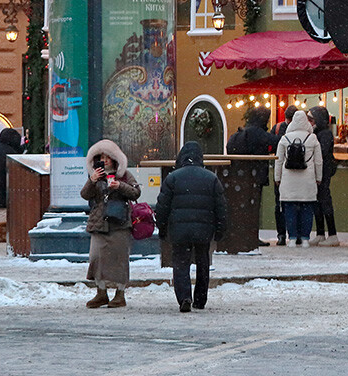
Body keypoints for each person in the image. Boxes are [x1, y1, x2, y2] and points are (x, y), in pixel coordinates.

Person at [155, 141, 229, 312]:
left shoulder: (173, 177)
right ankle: (200, 299)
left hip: (179, 229)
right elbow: (221, 207)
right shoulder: (211, 178)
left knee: (181, 263)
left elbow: (162, 206)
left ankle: (184, 297)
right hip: (204, 229)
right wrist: (219, 230)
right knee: (203, 262)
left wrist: (162, 226)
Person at [80, 139, 141, 308]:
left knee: (119, 260)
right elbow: (85, 195)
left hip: (119, 223)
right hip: (99, 223)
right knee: (96, 258)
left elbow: (136, 192)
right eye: (101, 156)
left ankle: (120, 294)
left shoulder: (125, 175)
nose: (104, 160)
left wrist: (119, 186)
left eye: (108, 157)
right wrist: (92, 180)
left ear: (115, 158)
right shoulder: (95, 175)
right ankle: (101, 293)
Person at [227, 107, 275, 247]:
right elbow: (274, 141)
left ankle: (243, 234)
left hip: (240, 175)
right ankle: (252, 236)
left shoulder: (244, 131)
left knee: (243, 206)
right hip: (254, 175)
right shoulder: (257, 132)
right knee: (253, 207)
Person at [274, 109, 322, 246]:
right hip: (307, 181)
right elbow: (318, 161)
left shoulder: (284, 139)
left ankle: (293, 238)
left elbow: (278, 161)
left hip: (289, 181)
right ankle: (305, 238)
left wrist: (277, 178)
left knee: (289, 209)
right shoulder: (312, 139)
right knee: (307, 209)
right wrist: (319, 177)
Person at [309, 106, 339, 247]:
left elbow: (321, 152)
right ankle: (321, 233)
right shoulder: (320, 133)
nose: (310, 122)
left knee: (324, 201)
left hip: (323, 172)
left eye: (312, 119)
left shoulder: (325, 134)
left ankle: (332, 234)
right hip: (320, 172)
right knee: (318, 202)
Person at [268, 105, 297, 246]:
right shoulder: (299, 131)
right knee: (293, 203)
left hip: (281, 170)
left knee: (279, 204)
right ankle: (293, 234)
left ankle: (281, 234)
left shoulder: (277, 128)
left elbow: (272, 149)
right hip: (294, 171)